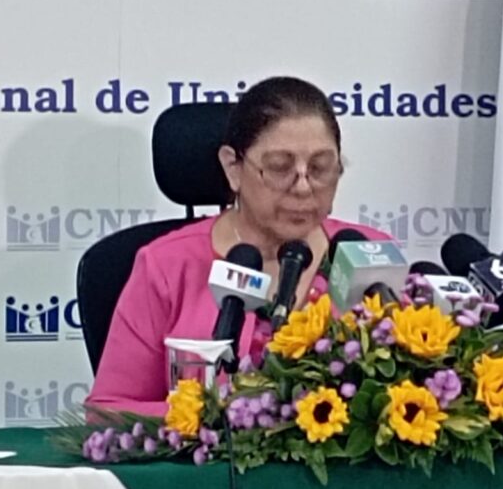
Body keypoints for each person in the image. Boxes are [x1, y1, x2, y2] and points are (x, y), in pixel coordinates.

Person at [85, 76, 389, 417]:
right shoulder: (167, 266)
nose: (304, 187)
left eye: (320, 168)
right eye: (280, 168)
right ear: (233, 167)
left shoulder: (370, 254)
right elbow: (105, 413)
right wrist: (211, 419)